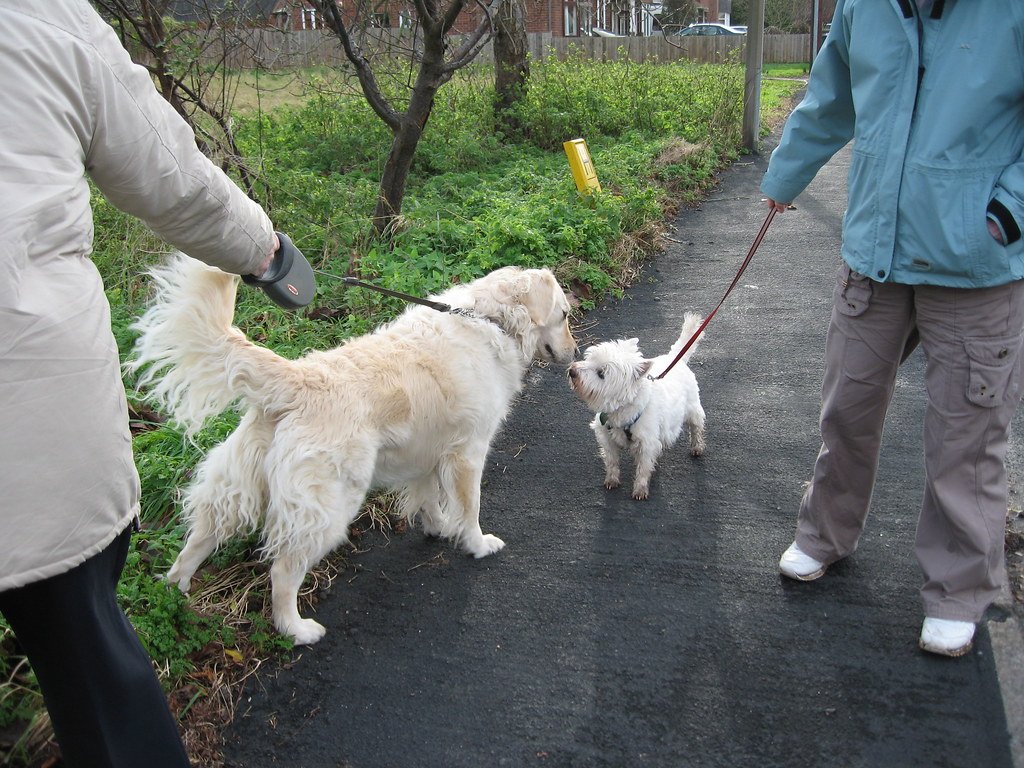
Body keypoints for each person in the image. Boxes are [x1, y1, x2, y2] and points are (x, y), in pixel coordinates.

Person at [0, 0, 290, 764]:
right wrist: (266, 252)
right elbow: (172, 177)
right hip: (32, 419)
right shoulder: (41, 17)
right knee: (94, 675)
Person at [760, 0, 1024, 658]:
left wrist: (1006, 214)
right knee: (845, 407)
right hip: (875, 251)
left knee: (967, 435)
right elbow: (830, 96)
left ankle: (960, 589)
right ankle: (825, 534)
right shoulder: (865, 6)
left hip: (977, 266)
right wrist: (785, 175)